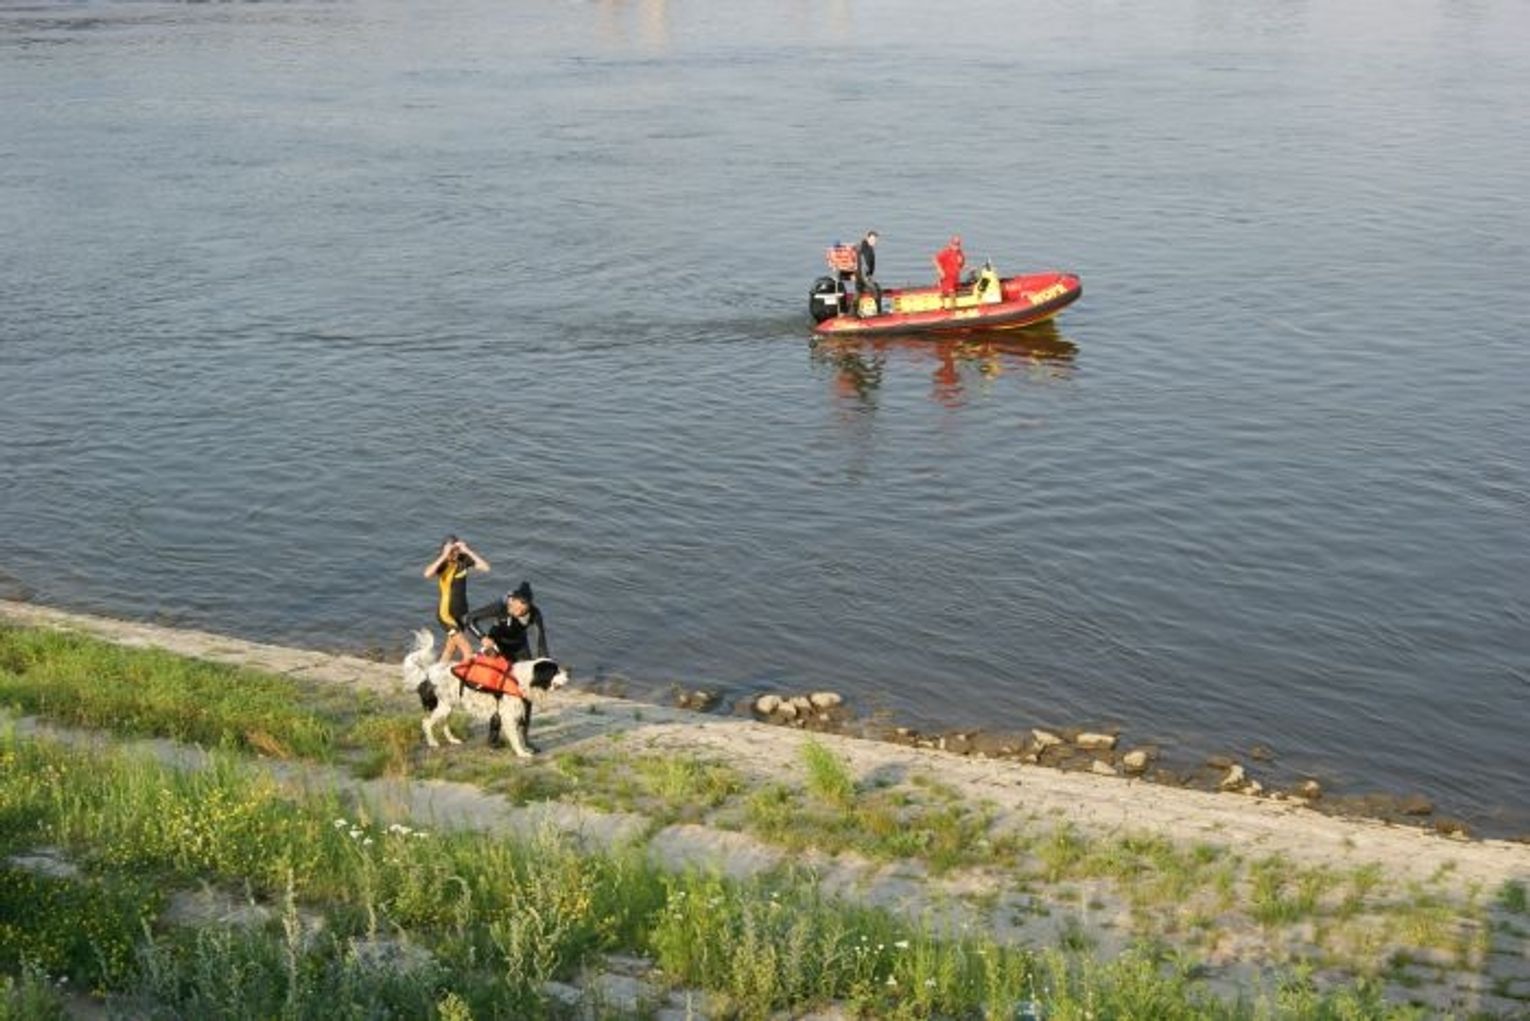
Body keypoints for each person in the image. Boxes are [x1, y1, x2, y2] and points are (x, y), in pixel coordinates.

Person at [423, 535, 489, 664]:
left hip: (462, 613)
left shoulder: (463, 560)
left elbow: (485, 567)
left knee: (450, 649)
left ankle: (437, 673)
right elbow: (427, 574)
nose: (454, 553)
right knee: (468, 651)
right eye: (451, 550)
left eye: (456, 550)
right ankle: (464, 676)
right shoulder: (443, 564)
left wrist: (467, 550)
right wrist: (444, 555)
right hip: (446, 614)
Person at [466, 580, 549, 662]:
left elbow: (541, 640)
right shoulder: (500, 607)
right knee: (489, 665)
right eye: (517, 608)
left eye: (523, 611)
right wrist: (482, 637)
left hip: (519, 645)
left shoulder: (534, 613)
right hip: (496, 642)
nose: (519, 613)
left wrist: (544, 660)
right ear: (511, 601)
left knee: (528, 667)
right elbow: (469, 618)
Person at [933, 235, 966, 310]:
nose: (956, 245)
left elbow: (961, 265)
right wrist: (940, 271)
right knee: (951, 292)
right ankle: (951, 309)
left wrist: (965, 266)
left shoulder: (960, 253)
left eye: (958, 243)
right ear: (950, 244)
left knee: (952, 291)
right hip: (947, 277)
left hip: (955, 278)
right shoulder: (946, 252)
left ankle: (946, 306)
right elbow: (935, 260)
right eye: (955, 243)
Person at [854, 230, 881, 317]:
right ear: (867, 238)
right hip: (863, 276)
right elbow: (863, 263)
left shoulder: (867, 247)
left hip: (860, 276)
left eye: (875, 240)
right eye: (872, 239)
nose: (874, 242)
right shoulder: (864, 248)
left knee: (858, 294)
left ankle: (853, 313)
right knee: (876, 291)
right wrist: (866, 277)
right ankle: (878, 313)